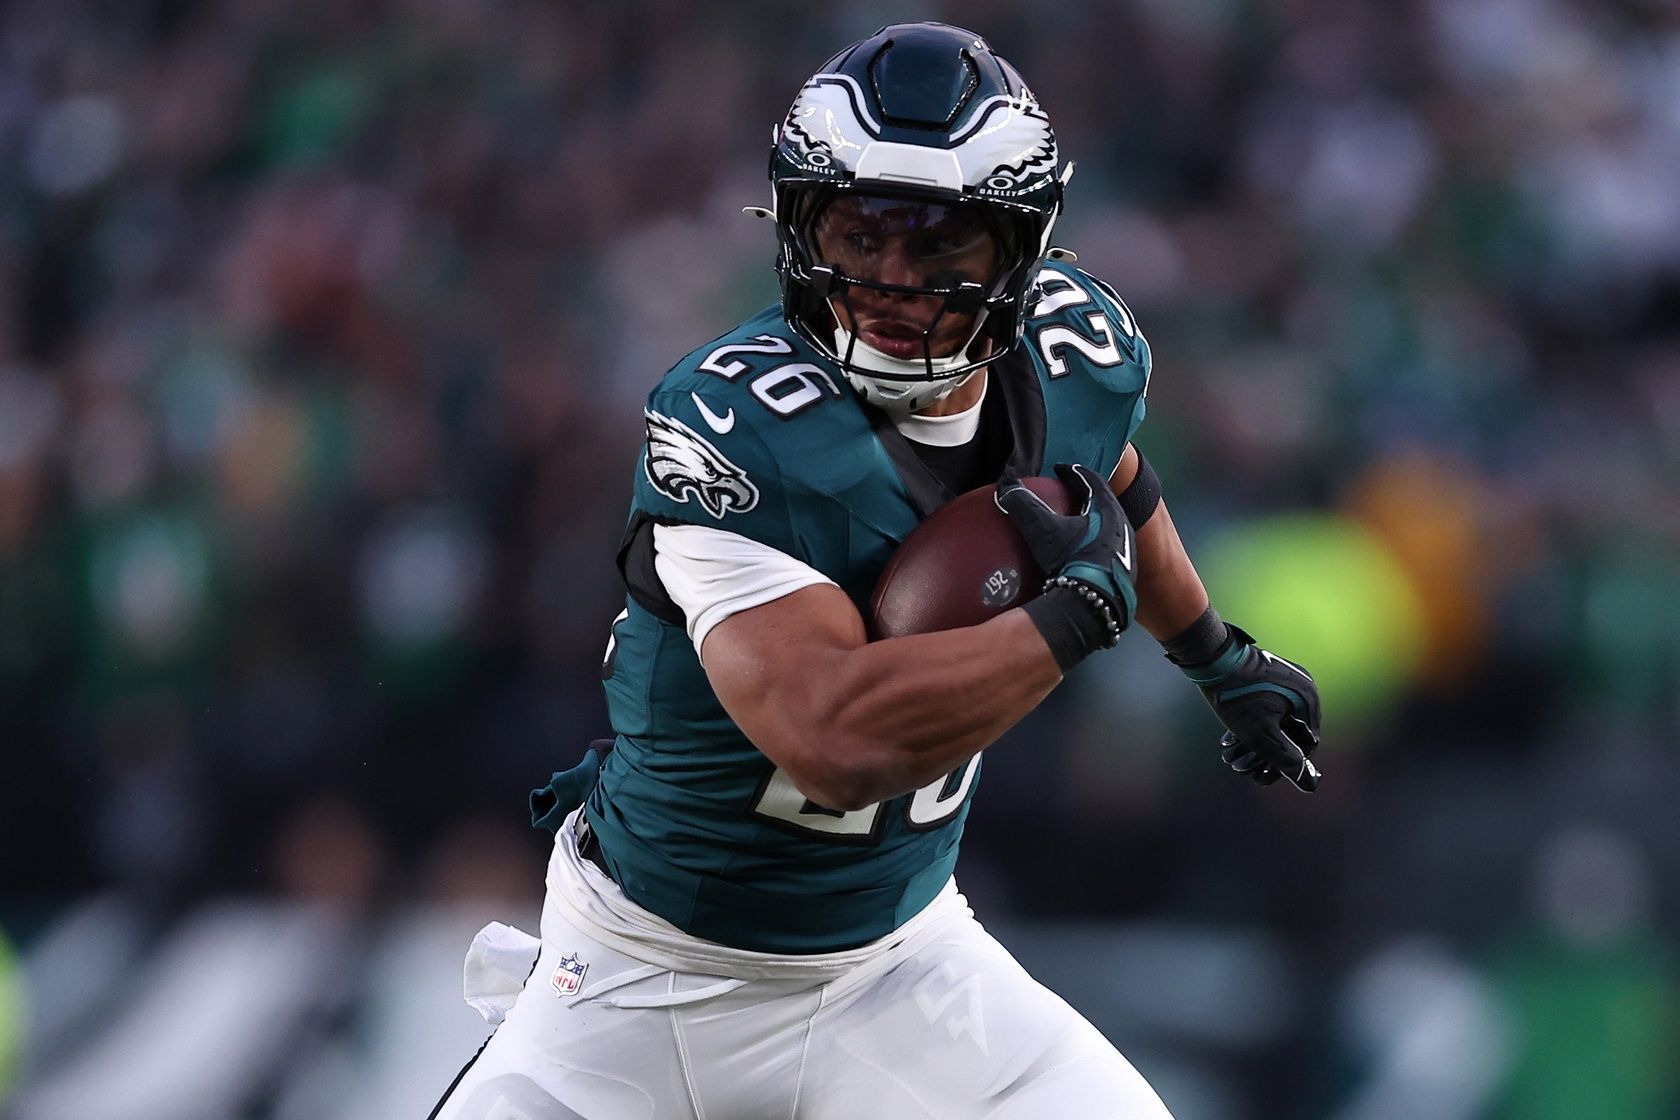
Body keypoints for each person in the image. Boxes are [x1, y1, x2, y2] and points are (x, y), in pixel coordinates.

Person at [430, 21, 1321, 1119]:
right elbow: (837, 741)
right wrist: (1078, 613)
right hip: (638, 989)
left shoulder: (1070, 355)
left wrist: (1215, 653)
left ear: (1018, 252)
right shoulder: (740, 423)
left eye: (941, 245)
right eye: (859, 236)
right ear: (802, 229)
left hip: (896, 967)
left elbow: (1110, 478)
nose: (893, 280)